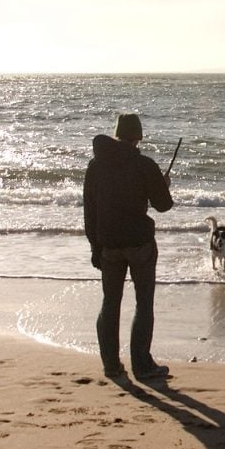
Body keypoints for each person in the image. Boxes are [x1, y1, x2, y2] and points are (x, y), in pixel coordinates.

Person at [83, 113, 173, 381]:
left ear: (116, 134)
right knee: (143, 303)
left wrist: (94, 246)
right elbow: (163, 205)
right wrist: (164, 185)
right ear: (139, 137)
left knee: (110, 303)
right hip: (139, 243)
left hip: (108, 242)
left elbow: (90, 210)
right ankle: (142, 367)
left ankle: (111, 366)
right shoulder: (144, 165)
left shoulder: (96, 165)